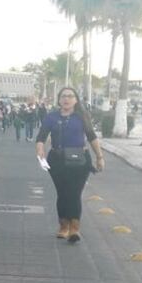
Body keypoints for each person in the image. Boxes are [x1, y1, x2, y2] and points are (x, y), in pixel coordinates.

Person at [36, 87, 104, 243]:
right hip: (57, 160)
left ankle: (75, 228)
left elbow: (92, 136)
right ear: (59, 100)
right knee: (63, 193)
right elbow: (42, 136)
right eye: (63, 96)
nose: (66, 99)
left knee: (74, 193)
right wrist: (40, 149)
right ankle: (63, 225)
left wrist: (99, 157)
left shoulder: (81, 117)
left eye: (70, 96)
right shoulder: (51, 117)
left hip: (79, 160)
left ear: (76, 100)